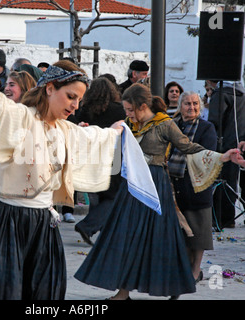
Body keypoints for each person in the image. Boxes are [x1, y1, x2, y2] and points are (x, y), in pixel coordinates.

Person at [0, 60, 124, 299]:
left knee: (42, 292)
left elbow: (91, 136)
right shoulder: (23, 117)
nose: (75, 106)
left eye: (78, 100)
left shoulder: (64, 129)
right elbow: (1, 109)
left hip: (44, 223)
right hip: (7, 221)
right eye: (70, 96)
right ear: (50, 88)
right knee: (2, 290)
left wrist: (113, 132)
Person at [74, 83, 243, 300]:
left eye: (129, 109)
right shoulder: (128, 124)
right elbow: (108, 139)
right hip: (132, 185)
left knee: (161, 238)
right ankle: (123, 292)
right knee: (125, 236)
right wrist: (86, 131)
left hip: (155, 186)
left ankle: (174, 286)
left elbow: (189, 147)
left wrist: (223, 156)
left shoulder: (165, 124)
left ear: (142, 105)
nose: (127, 113)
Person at [168, 91, 218, 283]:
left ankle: (195, 270)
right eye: (187, 104)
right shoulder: (173, 126)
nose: (192, 107)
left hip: (197, 186)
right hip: (175, 185)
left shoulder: (207, 128)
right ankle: (183, 268)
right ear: (180, 106)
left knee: (199, 233)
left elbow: (206, 155)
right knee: (181, 232)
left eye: (195, 104)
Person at [74, 77, 126, 244]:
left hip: (92, 157)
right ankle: (88, 226)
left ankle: (101, 231)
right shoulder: (119, 110)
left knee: (98, 195)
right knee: (113, 196)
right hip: (113, 157)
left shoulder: (85, 109)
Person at [208, 81, 245, 228]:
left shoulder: (221, 94)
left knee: (218, 181)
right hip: (237, 144)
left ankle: (218, 218)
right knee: (230, 181)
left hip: (221, 145)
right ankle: (228, 218)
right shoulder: (241, 94)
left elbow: (214, 121)